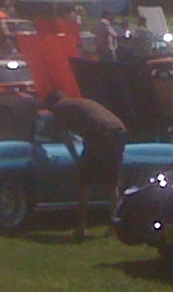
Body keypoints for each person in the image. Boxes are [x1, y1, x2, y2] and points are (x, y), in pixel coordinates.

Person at [46, 90, 128, 240]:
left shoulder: (59, 108)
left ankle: (81, 228)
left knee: (84, 181)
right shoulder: (80, 102)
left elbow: (66, 138)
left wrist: (77, 159)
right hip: (119, 130)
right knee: (112, 181)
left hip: (98, 133)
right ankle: (113, 227)